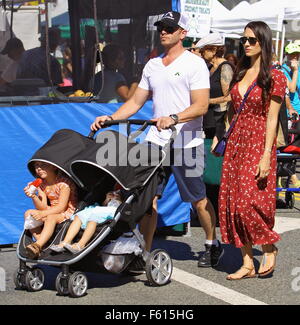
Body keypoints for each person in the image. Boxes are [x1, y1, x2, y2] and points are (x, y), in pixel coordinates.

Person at [91, 11, 224, 268]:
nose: (163, 31)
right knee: (146, 198)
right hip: (155, 142)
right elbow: (135, 101)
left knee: (198, 199)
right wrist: (111, 118)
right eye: (161, 27)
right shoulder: (152, 65)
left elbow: (201, 106)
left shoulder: (193, 64)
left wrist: (174, 117)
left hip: (187, 143)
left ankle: (210, 242)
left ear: (182, 34)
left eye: (170, 28)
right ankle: (144, 251)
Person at [218, 21, 286, 280]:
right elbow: (234, 110)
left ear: (263, 42)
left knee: (249, 203)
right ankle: (247, 262)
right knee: (233, 203)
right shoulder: (239, 72)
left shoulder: (275, 76)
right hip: (236, 142)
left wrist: (267, 154)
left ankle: (269, 246)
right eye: (244, 40)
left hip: (259, 143)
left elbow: (272, 119)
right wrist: (222, 137)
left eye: (252, 40)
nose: (246, 44)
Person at [24, 161, 78, 259]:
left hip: (67, 212)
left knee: (50, 217)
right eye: (37, 166)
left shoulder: (64, 184)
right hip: (52, 210)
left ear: (54, 167)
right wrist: (34, 196)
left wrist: (42, 213)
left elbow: (62, 207)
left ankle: (38, 245)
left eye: (43, 165)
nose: (39, 168)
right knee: (28, 213)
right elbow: (42, 207)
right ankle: (40, 245)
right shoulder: (43, 184)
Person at [195, 32, 234, 151]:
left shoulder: (226, 67)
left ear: (213, 50)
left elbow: (230, 97)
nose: (200, 54)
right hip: (208, 121)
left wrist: (207, 101)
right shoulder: (209, 67)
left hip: (219, 123)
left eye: (203, 51)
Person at [49, 190, 122, 254]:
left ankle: (81, 244)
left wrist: (118, 199)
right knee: (79, 216)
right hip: (101, 208)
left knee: (93, 218)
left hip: (113, 210)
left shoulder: (123, 192)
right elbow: (104, 205)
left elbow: (122, 206)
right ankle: (66, 242)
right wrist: (107, 199)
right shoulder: (113, 190)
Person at [282, 42, 300, 114]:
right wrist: (295, 71)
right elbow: (292, 89)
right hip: (290, 111)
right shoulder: (282, 70)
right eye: (292, 54)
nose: (295, 56)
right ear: (286, 54)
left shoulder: (298, 69)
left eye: (297, 53)